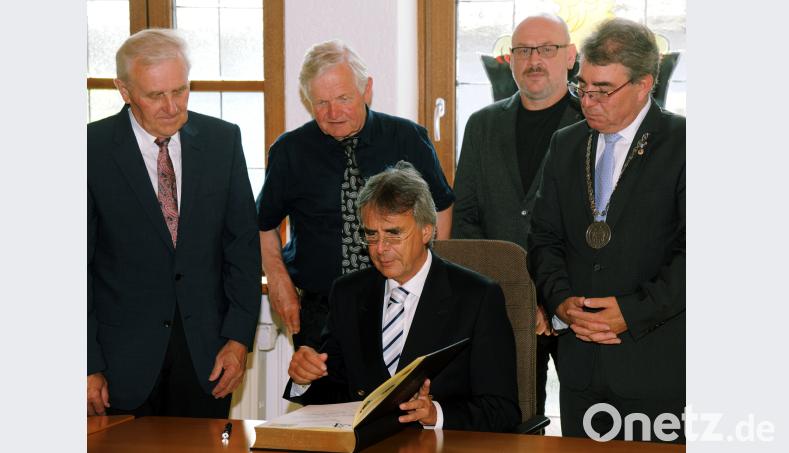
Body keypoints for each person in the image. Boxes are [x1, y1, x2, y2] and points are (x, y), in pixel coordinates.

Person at [87, 29, 261, 418]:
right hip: (119, 362)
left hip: (206, 359)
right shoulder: (90, 150)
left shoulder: (222, 141)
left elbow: (243, 248)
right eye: (155, 95)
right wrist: (86, 363)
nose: (171, 106)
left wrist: (237, 339)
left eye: (180, 90)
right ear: (124, 90)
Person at [528, 18, 685, 442]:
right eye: (583, 86)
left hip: (656, 365)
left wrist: (631, 312)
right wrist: (560, 301)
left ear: (644, 84)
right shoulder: (565, 144)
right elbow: (544, 238)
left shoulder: (686, 142)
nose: (588, 101)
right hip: (579, 368)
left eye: (603, 90)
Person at [283, 161, 520, 432]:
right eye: (371, 235)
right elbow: (332, 396)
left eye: (393, 234)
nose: (380, 249)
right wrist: (305, 378)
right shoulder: (349, 293)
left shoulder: (476, 297)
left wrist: (437, 414)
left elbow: (503, 411)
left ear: (426, 231)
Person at [257, 40, 455, 351]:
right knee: (324, 399)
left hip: (399, 302)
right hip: (320, 310)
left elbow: (441, 207)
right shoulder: (290, 151)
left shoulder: (407, 138)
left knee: (399, 398)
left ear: (367, 89)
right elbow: (263, 223)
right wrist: (278, 280)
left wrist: (428, 277)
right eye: (321, 103)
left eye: (343, 98)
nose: (333, 113)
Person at [451, 13, 582, 419]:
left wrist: (551, 298)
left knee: (586, 420)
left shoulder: (592, 125)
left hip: (574, 306)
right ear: (511, 59)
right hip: (502, 306)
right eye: (523, 50)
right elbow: (467, 218)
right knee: (514, 422)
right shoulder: (482, 125)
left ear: (570, 56)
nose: (534, 60)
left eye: (547, 49)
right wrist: (510, 294)